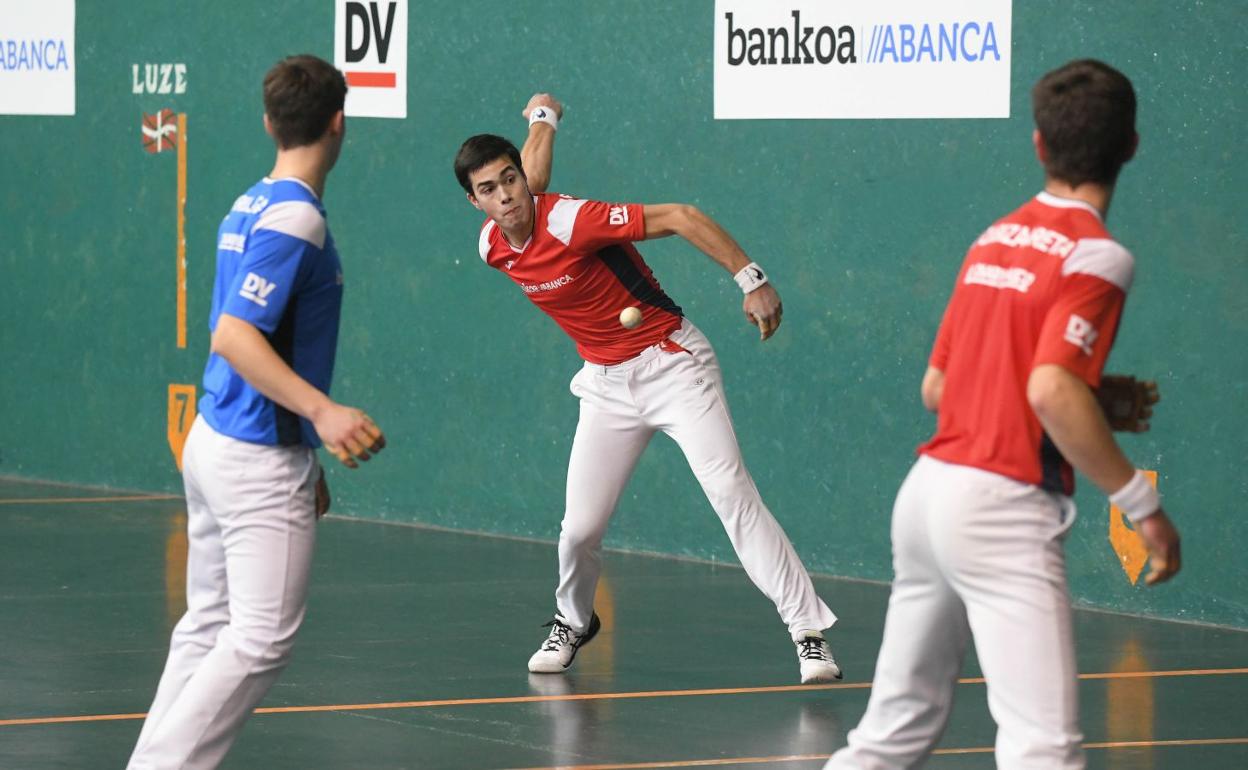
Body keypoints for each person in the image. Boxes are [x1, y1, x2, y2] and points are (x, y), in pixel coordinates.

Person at [825, 59, 1181, 769]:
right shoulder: (1098, 255)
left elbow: (939, 386)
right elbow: (1050, 391)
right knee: (1043, 750)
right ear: (1132, 146)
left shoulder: (993, 237)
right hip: (1001, 506)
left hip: (926, 496)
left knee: (890, 735)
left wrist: (1090, 393)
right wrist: (1142, 505)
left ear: (1040, 146)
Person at [453, 94, 842, 683]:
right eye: (489, 189)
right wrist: (542, 120)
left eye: (510, 180)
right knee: (579, 529)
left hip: (672, 363)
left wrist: (750, 278)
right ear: (475, 202)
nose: (506, 195)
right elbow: (526, 182)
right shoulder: (492, 246)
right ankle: (573, 620)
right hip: (606, 386)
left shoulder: (573, 220)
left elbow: (682, 216)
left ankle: (807, 632)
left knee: (732, 494)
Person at [127, 54, 385, 770]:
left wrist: (303, 437)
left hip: (220, 439)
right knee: (260, 637)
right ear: (339, 123)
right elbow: (235, 334)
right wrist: (321, 415)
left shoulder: (251, 201)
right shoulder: (296, 217)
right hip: (253, 456)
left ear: (270, 122)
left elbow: (256, 334)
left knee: (209, 625)